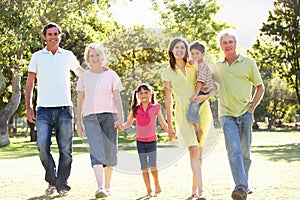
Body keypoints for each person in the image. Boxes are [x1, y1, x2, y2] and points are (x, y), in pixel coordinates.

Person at [25, 22, 84, 197]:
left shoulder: (68, 55)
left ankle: (62, 184)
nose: (53, 37)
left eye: (55, 34)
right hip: (43, 110)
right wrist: (29, 107)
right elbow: (29, 83)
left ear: (60, 35)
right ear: (45, 37)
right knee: (42, 146)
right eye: (49, 34)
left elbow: (82, 73)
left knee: (66, 149)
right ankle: (52, 181)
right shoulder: (37, 57)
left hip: (65, 109)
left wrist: (99, 74)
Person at [212, 30, 265, 200]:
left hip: (245, 114)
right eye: (224, 43)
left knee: (245, 153)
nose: (227, 45)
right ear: (221, 46)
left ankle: (243, 186)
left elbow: (260, 87)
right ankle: (241, 187)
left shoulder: (248, 63)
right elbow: (206, 83)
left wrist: (251, 109)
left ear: (235, 44)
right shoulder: (217, 66)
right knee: (233, 149)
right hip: (226, 115)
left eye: (230, 42)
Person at [161, 37, 214, 200]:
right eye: (176, 47)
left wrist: (208, 96)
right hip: (182, 114)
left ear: (186, 50)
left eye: (182, 47)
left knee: (199, 152)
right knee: (193, 149)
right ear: (171, 50)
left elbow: (208, 83)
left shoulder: (194, 65)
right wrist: (170, 126)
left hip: (202, 110)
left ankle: (195, 187)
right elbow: (168, 100)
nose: (179, 50)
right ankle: (201, 191)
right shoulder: (167, 72)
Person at [76, 44, 124, 199]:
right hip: (90, 117)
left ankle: (108, 186)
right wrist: (78, 122)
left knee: (110, 152)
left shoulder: (111, 75)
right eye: (91, 56)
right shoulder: (83, 77)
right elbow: (80, 102)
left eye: (97, 55)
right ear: (87, 59)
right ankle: (100, 187)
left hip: (110, 116)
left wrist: (121, 118)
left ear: (102, 56)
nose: (95, 59)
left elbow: (117, 97)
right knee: (96, 151)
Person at [123, 84, 169, 198]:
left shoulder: (156, 107)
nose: (143, 95)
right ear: (138, 95)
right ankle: (148, 189)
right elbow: (128, 123)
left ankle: (156, 182)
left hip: (152, 141)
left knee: (153, 166)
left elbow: (163, 123)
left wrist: (171, 131)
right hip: (140, 142)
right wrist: (120, 126)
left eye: (146, 92)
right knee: (144, 167)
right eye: (141, 93)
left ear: (150, 93)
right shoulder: (135, 109)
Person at [187, 41, 215, 144]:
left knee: (193, 109)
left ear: (203, 54)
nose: (194, 56)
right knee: (192, 111)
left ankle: (198, 130)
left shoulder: (203, 66)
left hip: (204, 90)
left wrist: (196, 95)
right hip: (204, 90)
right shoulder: (197, 63)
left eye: (197, 53)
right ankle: (197, 128)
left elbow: (200, 82)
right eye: (192, 54)